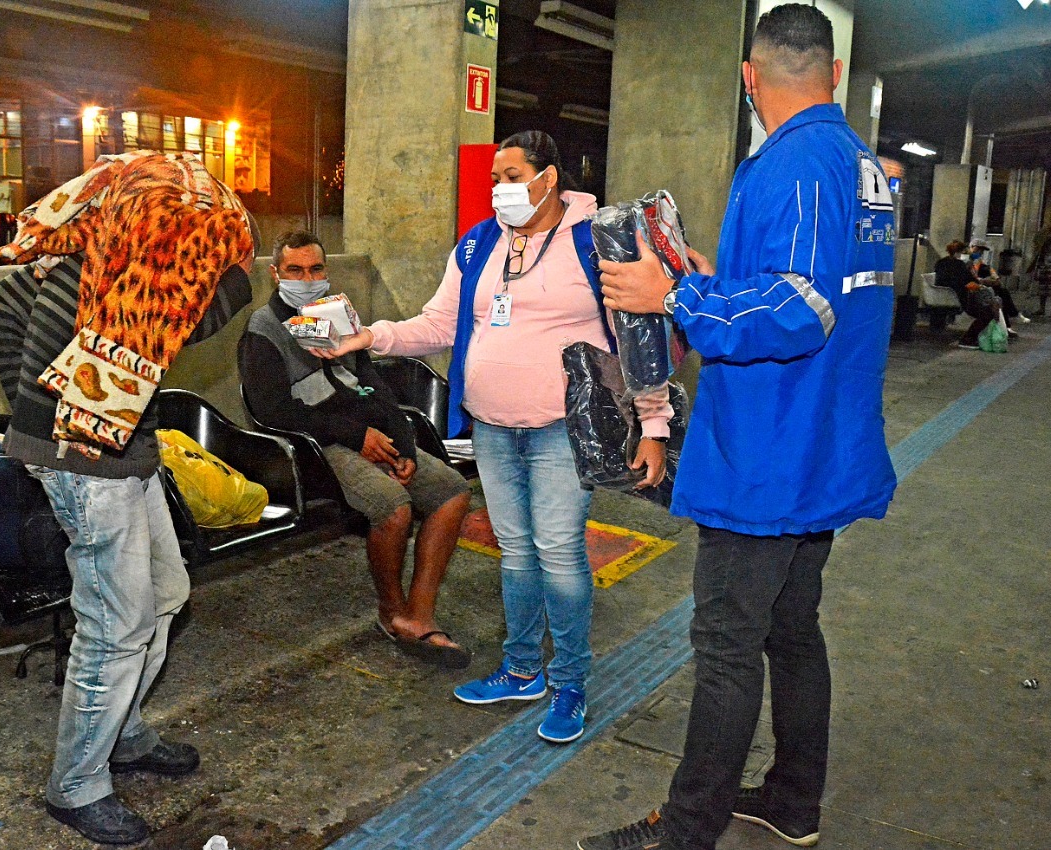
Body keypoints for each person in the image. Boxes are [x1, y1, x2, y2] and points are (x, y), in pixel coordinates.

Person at [578, 6, 897, 849]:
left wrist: (673, 297)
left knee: (725, 644)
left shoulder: (792, 162)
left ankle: (686, 831)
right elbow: (803, 280)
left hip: (770, 454)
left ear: (750, 77)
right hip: (824, 447)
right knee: (792, 631)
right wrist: (719, 280)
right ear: (830, 73)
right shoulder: (856, 162)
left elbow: (799, 306)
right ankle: (793, 799)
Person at [318, 131, 672, 745]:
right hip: (493, 430)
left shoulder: (595, 242)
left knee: (559, 553)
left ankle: (568, 683)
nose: (500, 188)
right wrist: (368, 336)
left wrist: (655, 424)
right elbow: (437, 323)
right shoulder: (480, 244)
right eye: (495, 178)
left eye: (512, 174)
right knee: (517, 552)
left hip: (564, 428)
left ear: (549, 178)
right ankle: (521, 669)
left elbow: (638, 332)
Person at [0, 153, 256, 846]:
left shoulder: (110, 266)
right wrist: (38, 416)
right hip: (85, 461)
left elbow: (4, 301)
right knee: (115, 626)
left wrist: (26, 402)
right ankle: (76, 784)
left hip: (126, 450)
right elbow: (205, 315)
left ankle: (125, 733)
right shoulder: (123, 272)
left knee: (165, 594)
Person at [239, 230, 474, 668]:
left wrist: (403, 443)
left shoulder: (335, 318)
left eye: (315, 269)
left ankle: (419, 613)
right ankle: (392, 611)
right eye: (295, 270)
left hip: (372, 434)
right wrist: (355, 437)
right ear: (275, 275)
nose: (306, 279)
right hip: (318, 445)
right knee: (393, 506)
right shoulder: (263, 330)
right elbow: (273, 411)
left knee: (452, 492)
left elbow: (373, 386)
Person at [935, 240, 1001, 349]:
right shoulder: (960, 265)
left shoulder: (940, 262)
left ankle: (970, 338)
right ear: (960, 252)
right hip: (960, 297)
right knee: (988, 312)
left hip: (943, 294)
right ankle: (967, 339)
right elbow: (971, 280)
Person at [969, 240, 1028, 331]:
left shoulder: (980, 262)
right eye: (978, 249)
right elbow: (973, 277)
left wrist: (993, 279)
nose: (980, 252)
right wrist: (985, 281)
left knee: (1000, 295)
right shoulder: (968, 261)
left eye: (981, 250)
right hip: (974, 289)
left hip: (982, 286)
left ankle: (1009, 323)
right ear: (972, 247)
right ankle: (1012, 318)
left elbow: (992, 273)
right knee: (1001, 294)